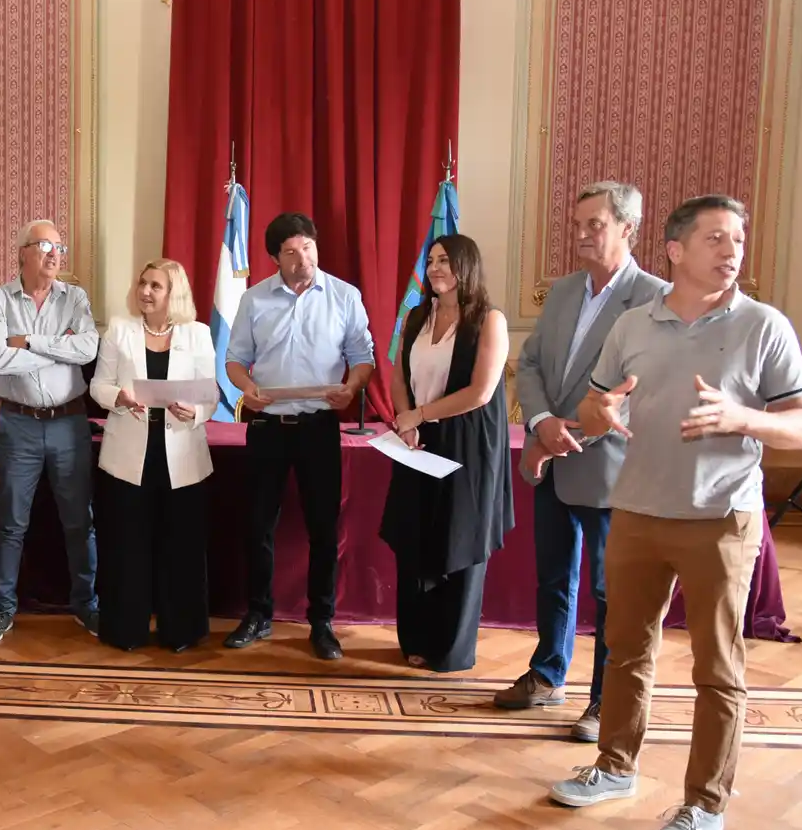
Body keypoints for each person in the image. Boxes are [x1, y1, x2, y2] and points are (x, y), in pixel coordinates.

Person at [548, 195, 802, 830]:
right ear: (674, 249)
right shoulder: (633, 323)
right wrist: (598, 411)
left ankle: (705, 802)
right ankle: (614, 766)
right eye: (716, 238)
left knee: (718, 668)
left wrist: (744, 418)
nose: (732, 251)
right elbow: (591, 406)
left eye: (738, 239)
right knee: (626, 650)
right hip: (637, 509)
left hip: (720, 517)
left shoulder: (764, 326)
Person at [495, 182, 667, 740]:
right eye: (577, 225)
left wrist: (572, 436)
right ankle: (547, 676)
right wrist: (542, 426)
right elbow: (533, 364)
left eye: (594, 224)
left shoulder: (652, 298)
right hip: (551, 457)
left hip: (611, 467)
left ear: (627, 228)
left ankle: (605, 700)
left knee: (608, 590)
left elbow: (635, 388)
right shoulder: (564, 290)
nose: (582, 235)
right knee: (553, 579)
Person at [223, 212, 375, 659]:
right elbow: (235, 359)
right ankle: (258, 614)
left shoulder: (345, 296)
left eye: (307, 247)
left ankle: (322, 621)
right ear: (274, 258)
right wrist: (246, 389)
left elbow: (361, 357)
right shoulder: (254, 300)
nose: (301, 257)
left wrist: (352, 387)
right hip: (268, 427)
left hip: (317, 427)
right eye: (290, 251)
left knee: (323, 528)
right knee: (258, 525)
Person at [380, 234, 512, 672]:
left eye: (445, 261)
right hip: (418, 440)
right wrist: (405, 418)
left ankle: (451, 649)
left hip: (467, 443)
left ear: (466, 267)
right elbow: (398, 376)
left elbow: (480, 392)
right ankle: (415, 638)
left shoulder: (488, 319)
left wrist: (419, 414)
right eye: (432, 260)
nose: (436, 268)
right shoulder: (417, 316)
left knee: (458, 538)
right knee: (415, 534)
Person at [0, 220, 100, 643]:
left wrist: (27, 342)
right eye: (45, 246)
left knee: (78, 522)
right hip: (18, 424)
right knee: (11, 523)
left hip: (69, 423)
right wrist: (56, 348)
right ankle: (1, 609)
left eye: (59, 248)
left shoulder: (76, 297)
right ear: (23, 252)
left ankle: (87, 605)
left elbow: (87, 350)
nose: (54, 255)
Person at [90, 259, 218, 651]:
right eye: (143, 284)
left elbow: (210, 394)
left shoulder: (197, 334)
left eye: (155, 286)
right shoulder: (119, 330)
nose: (145, 291)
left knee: (180, 547)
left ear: (172, 292)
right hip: (128, 458)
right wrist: (119, 398)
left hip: (181, 458)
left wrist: (195, 412)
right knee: (127, 546)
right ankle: (125, 630)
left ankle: (181, 631)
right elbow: (98, 385)